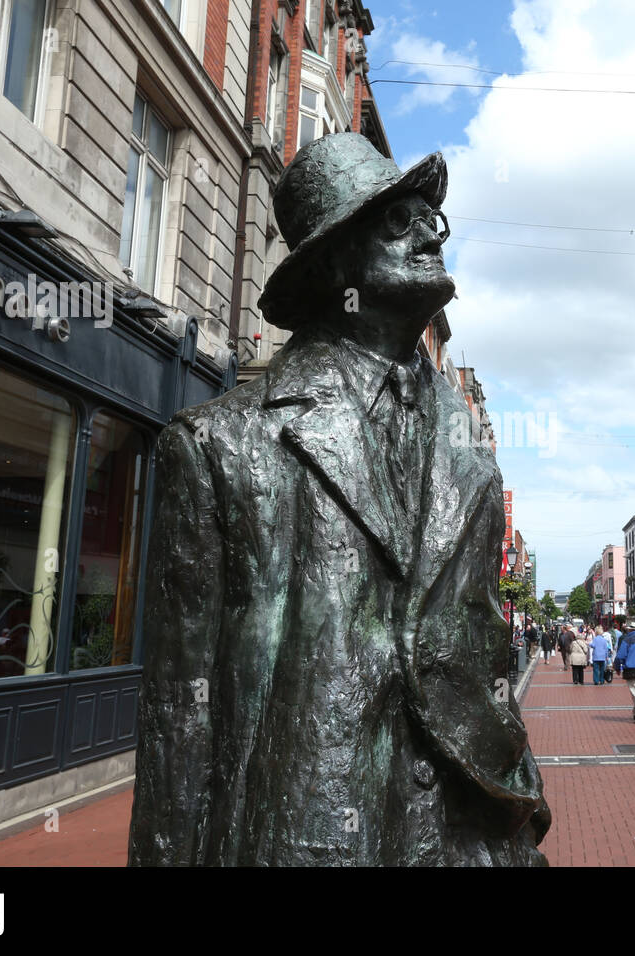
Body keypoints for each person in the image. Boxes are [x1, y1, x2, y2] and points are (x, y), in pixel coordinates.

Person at [130, 133, 549, 866]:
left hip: (469, 833)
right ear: (331, 263)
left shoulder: (469, 445)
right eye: (396, 219)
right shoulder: (218, 443)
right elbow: (179, 712)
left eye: (432, 218)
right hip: (307, 832)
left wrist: (519, 808)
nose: (428, 231)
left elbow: (478, 648)